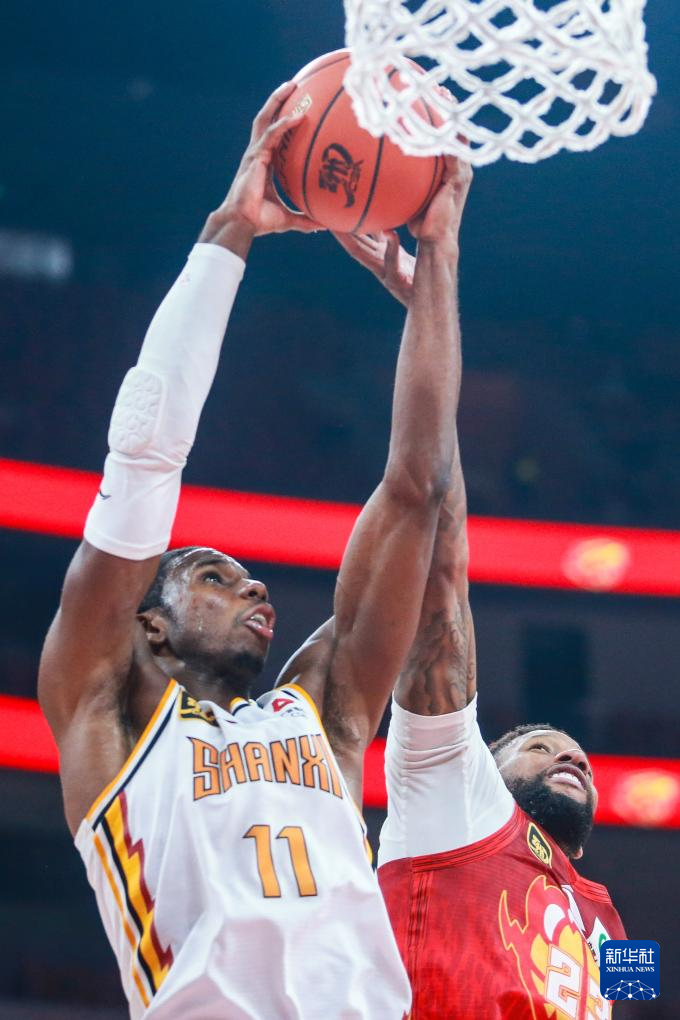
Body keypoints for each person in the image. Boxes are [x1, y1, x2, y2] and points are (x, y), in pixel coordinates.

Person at [38, 80, 472, 1020]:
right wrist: (231, 230)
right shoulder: (108, 712)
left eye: (243, 576)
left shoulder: (325, 712)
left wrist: (437, 267)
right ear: (150, 626)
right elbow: (144, 456)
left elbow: (418, 490)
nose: (256, 585)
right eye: (215, 576)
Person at [359, 248, 628, 1016]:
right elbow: (442, 574)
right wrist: (432, 313)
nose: (572, 756)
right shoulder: (458, 795)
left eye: (575, 754)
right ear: (486, 766)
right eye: (540, 746)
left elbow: (634, 1008)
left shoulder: (612, 919)